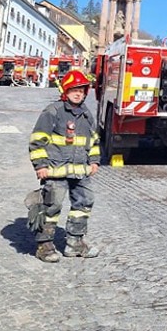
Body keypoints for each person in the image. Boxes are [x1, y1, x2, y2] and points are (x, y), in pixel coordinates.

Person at [27, 69, 101, 262]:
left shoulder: (86, 114)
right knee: (52, 206)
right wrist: (40, 165)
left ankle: (74, 243)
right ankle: (44, 246)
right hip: (55, 170)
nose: (79, 93)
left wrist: (94, 161)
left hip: (80, 172)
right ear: (66, 91)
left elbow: (93, 140)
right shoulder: (53, 111)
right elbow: (37, 140)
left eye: (82, 90)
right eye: (74, 89)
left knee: (84, 204)